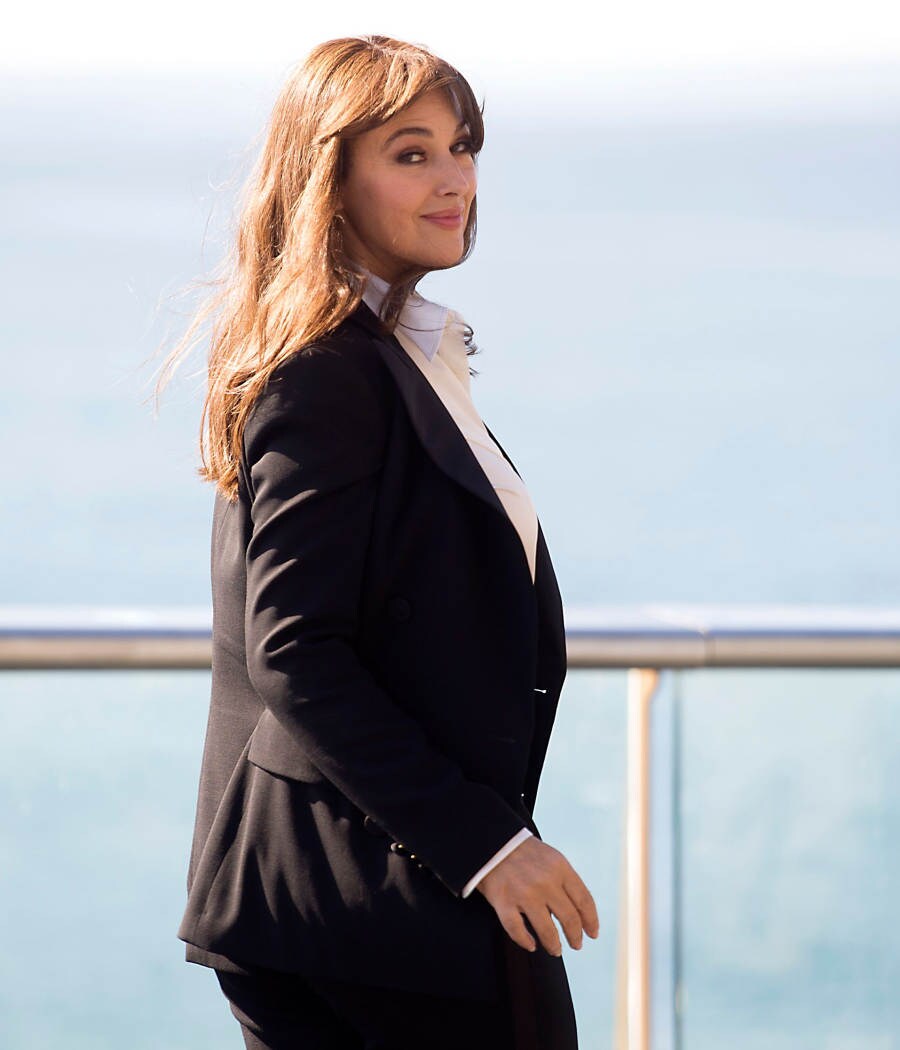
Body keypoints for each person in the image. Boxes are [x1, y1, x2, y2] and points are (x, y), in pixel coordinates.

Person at [162, 33, 599, 1050]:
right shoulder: (329, 372)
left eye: (463, 146)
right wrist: (490, 848)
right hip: (357, 904)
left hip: (384, 892)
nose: (456, 180)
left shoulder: (396, 352)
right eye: (412, 154)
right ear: (331, 178)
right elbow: (296, 653)